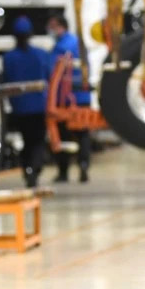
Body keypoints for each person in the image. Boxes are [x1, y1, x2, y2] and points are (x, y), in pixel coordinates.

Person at [1, 17, 52, 188]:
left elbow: (6, 81)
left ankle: (28, 169)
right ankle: (35, 169)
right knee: (38, 141)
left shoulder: (8, 58)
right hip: (39, 107)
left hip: (20, 108)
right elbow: (49, 77)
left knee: (26, 141)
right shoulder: (41, 55)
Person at [46, 13, 92, 183]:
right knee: (83, 134)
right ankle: (84, 166)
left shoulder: (62, 47)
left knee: (63, 135)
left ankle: (63, 171)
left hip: (65, 100)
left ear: (61, 26)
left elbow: (52, 74)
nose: (50, 30)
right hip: (83, 96)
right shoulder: (77, 44)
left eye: (53, 26)